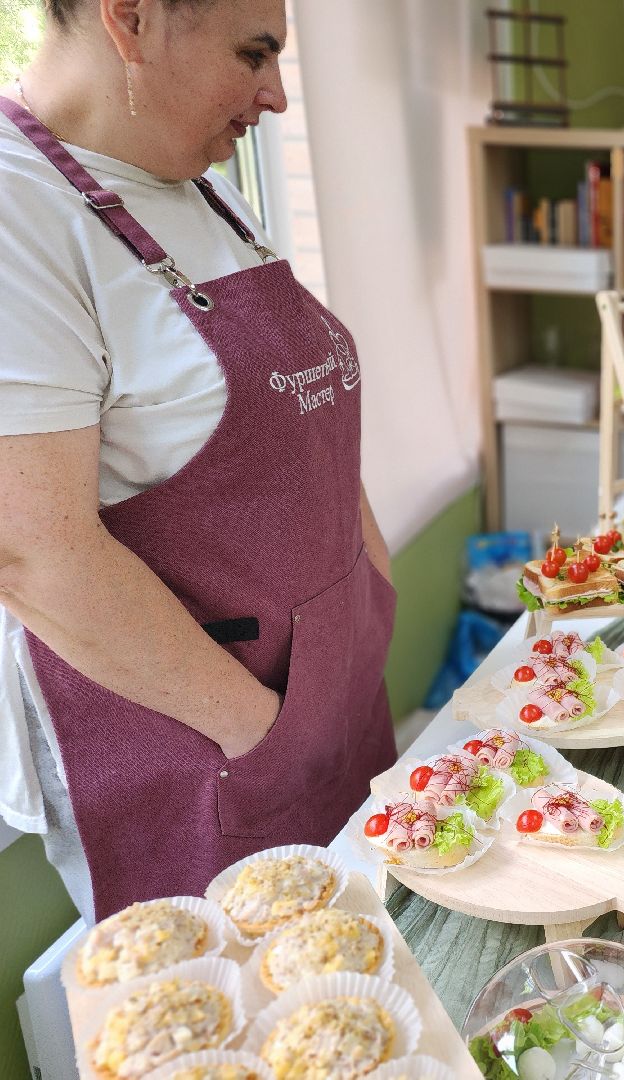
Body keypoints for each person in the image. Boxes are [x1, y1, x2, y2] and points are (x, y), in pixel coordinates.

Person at [0, 0, 397, 923]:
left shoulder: (196, 188)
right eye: (254, 53)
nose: (278, 96)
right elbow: (32, 555)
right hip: (210, 751)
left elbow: (307, 427)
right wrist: (261, 736)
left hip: (330, 688)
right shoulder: (18, 213)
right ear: (131, 18)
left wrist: (373, 592)